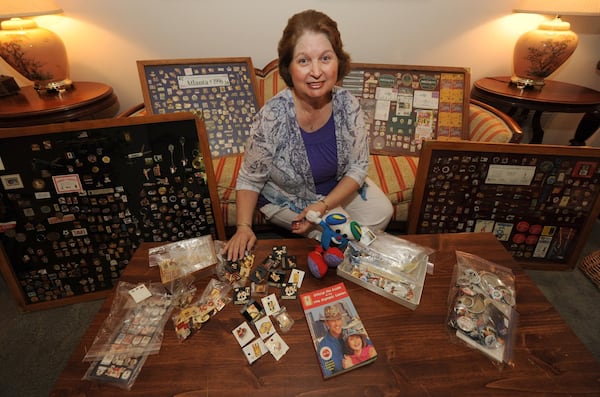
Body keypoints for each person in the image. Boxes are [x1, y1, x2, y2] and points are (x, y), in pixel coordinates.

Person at [223, 9, 393, 261]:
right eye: (304, 61)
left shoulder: (349, 105)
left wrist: (324, 205)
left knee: (383, 211)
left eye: (325, 58)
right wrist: (243, 228)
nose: (316, 71)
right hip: (287, 198)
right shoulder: (272, 116)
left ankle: (343, 245)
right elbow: (250, 178)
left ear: (338, 61)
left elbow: (357, 169)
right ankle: (341, 249)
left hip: (331, 191)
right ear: (289, 67)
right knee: (343, 236)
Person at [316, 304, 346, 376]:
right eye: (332, 320)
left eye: (338, 319)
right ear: (326, 323)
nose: (337, 324)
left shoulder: (352, 333)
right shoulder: (323, 347)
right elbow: (328, 373)